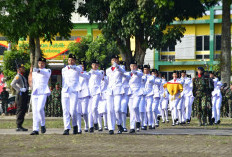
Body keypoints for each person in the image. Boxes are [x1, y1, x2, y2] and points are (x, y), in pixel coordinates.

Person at [62, 54, 82, 135]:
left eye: (72, 60)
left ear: (75, 61)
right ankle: (66, 128)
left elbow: (78, 70)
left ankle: (75, 125)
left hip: (74, 90)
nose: (71, 62)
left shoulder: (78, 68)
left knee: (73, 110)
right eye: (69, 60)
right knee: (65, 110)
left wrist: (72, 67)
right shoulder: (64, 69)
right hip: (65, 90)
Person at [30, 57, 51, 135]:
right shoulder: (34, 72)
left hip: (43, 92)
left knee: (40, 109)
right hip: (35, 92)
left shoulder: (47, 70)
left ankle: (42, 124)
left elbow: (45, 73)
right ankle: (35, 129)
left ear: (44, 64)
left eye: (42, 63)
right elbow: (33, 82)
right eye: (39, 63)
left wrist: (38, 70)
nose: (41, 64)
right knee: (35, 111)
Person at [106, 55, 125, 134]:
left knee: (117, 109)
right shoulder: (108, 70)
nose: (114, 61)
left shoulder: (121, 68)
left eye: (116, 60)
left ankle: (119, 123)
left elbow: (123, 72)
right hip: (110, 90)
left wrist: (117, 66)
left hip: (118, 90)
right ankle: (111, 128)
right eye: (113, 60)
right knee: (110, 110)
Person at [11, 64, 29, 132]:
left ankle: (20, 125)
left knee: (23, 109)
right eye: (22, 68)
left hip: (24, 94)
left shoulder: (22, 76)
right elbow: (12, 84)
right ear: (19, 69)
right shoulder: (18, 76)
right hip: (20, 94)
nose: (24, 68)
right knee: (20, 109)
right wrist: (20, 89)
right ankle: (18, 125)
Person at [88, 59, 104, 133]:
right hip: (90, 93)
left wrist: (92, 72)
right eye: (94, 64)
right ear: (91, 65)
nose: (95, 66)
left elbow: (100, 75)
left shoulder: (100, 72)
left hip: (97, 92)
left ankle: (95, 122)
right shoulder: (89, 73)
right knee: (90, 111)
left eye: (97, 65)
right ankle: (91, 126)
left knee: (94, 108)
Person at [128, 60, 143, 133]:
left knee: (135, 107)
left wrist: (135, 71)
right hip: (130, 94)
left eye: (134, 66)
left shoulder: (139, 72)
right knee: (131, 110)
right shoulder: (128, 74)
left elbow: (138, 74)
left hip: (137, 93)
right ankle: (132, 127)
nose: (133, 67)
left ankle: (138, 120)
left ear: (136, 66)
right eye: (131, 66)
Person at [78, 61, 90, 132]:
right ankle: (79, 128)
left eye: (82, 66)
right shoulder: (75, 74)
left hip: (85, 94)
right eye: (80, 66)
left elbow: (87, 76)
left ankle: (86, 124)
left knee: (84, 112)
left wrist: (80, 73)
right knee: (78, 112)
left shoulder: (86, 73)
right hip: (78, 94)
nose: (81, 68)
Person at [143, 65, 155, 129]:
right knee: (144, 110)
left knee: (149, 110)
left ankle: (150, 123)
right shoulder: (141, 76)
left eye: (147, 69)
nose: (146, 70)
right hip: (143, 95)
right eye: (145, 69)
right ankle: (145, 124)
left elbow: (153, 82)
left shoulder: (151, 77)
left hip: (150, 94)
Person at [120, 61, 130, 132]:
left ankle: (124, 125)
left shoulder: (127, 73)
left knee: (123, 110)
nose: (122, 66)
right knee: (117, 110)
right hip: (117, 93)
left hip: (125, 94)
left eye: (123, 65)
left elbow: (127, 77)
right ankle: (119, 125)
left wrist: (122, 72)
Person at [98, 66, 108, 131]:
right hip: (98, 96)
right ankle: (100, 126)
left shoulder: (106, 78)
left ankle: (105, 125)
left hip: (105, 96)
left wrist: (103, 78)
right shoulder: (97, 79)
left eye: (103, 72)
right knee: (98, 112)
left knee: (104, 111)